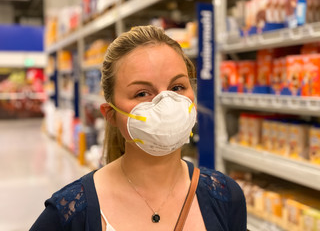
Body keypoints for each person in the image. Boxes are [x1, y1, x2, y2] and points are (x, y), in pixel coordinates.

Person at [30, 25, 247, 231]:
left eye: (177, 87)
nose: (166, 102)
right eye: (142, 93)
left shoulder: (225, 196)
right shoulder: (71, 211)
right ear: (110, 114)